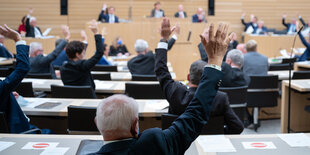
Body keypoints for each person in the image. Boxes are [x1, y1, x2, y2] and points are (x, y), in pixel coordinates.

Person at [91, 18, 233, 155]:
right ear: (136, 125)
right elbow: (196, 113)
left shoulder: (173, 90)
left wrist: (164, 40)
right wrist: (214, 60)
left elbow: (161, 71)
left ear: (97, 123)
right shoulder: (155, 144)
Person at [155, 33, 243, 133]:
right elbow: (237, 127)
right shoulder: (219, 98)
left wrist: (163, 40)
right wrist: (218, 132)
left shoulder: (176, 92)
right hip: (212, 145)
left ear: (188, 77)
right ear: (208, 78)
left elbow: (161, 71)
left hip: (179, 146)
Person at [0, 25, 49, 133]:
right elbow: (22, 68)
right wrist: (18, 39)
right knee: (50, 132)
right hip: (20, 132)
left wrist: (7, 95)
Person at [60, 20, 104, 91]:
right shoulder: (83, 65)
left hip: (71, 99)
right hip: (89, 98)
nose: (84, 52)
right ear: (77, 54)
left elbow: (78, 51)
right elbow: (99, 53)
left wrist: (85, 39)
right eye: (83, 51)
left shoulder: (63, 67)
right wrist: (96, 33)